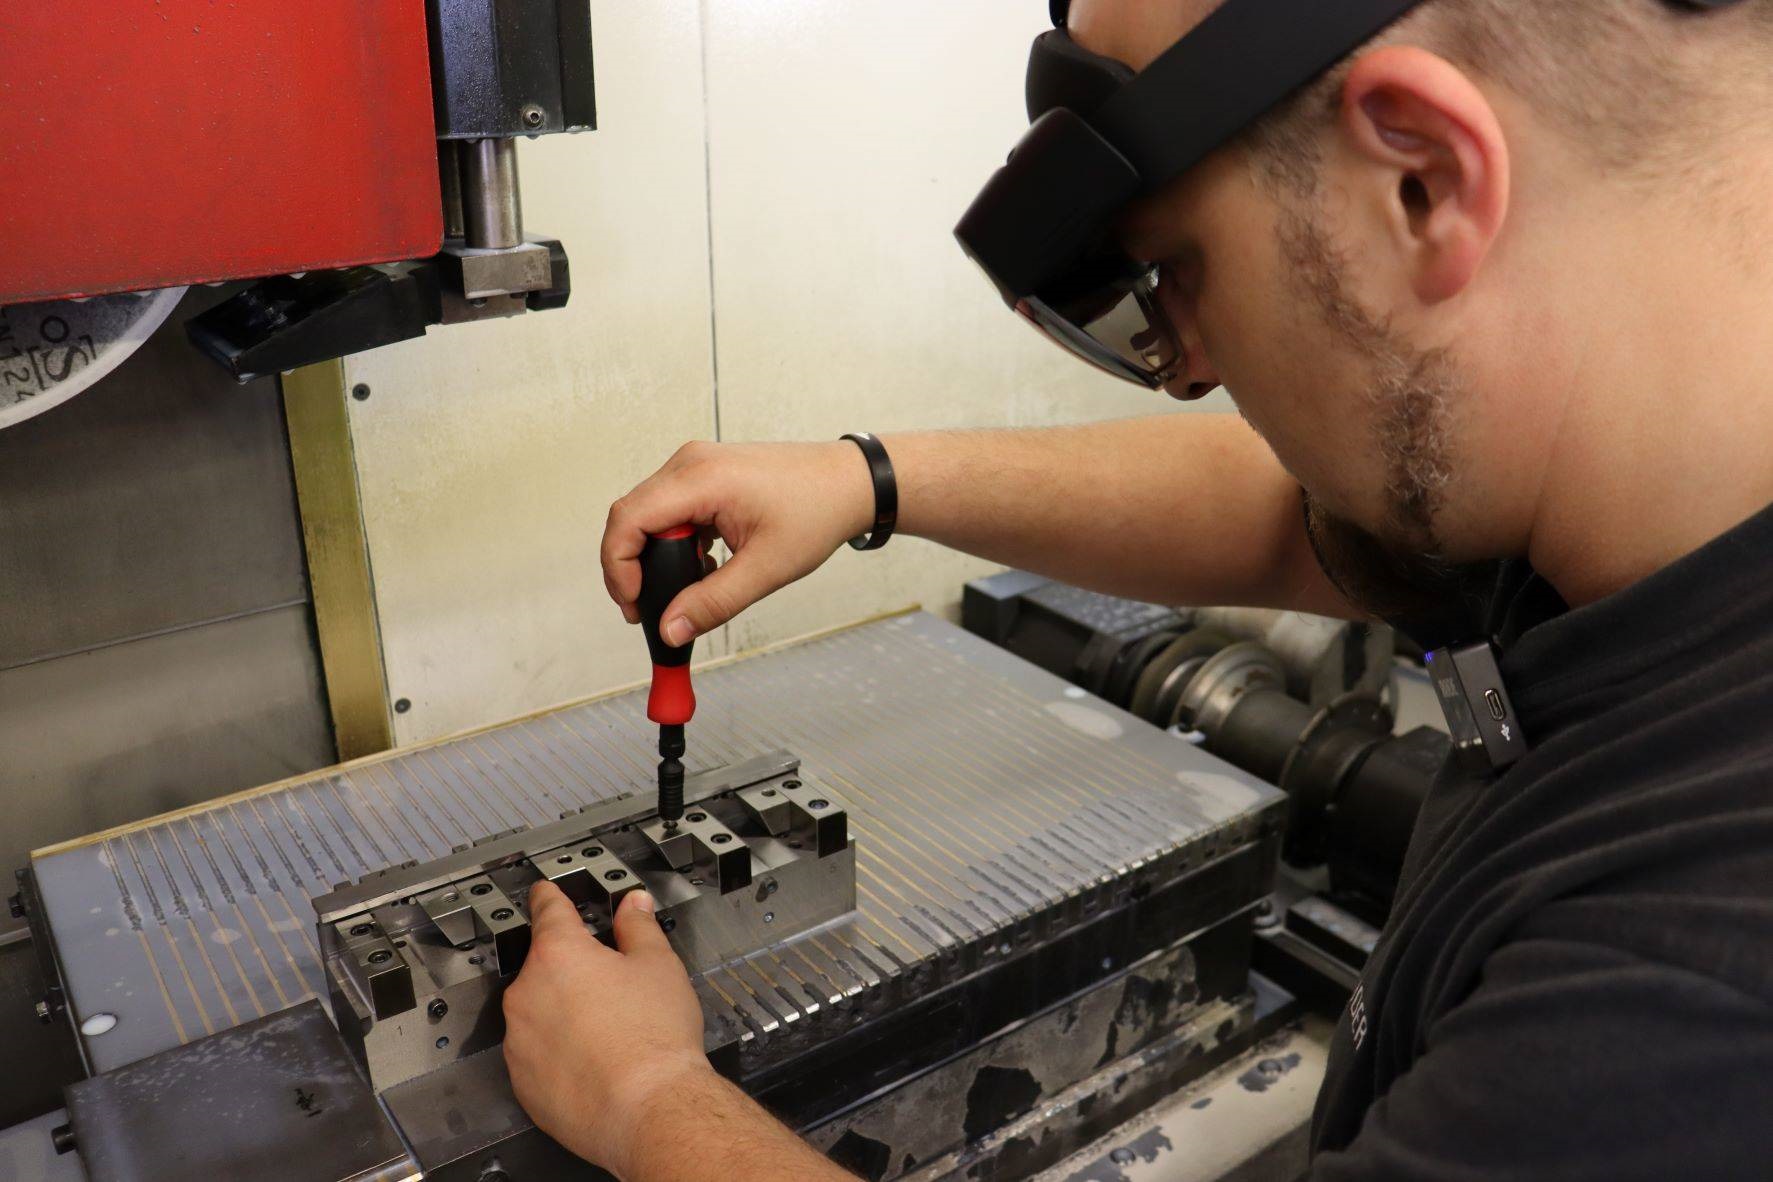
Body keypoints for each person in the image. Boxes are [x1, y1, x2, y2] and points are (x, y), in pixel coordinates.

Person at [502, 0, 1773, 1177]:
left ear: (1423, 181)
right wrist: (866, 479)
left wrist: (649, 1100)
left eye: (1181, 269)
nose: (1192, 366)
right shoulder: (1638, 493)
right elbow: (1301, 520)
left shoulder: (1681, 1000)